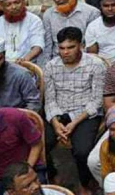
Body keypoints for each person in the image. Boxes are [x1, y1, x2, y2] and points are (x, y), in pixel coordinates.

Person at [43, 26, 106, 193]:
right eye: (61, 48)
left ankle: (86, 183)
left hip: (85, 113)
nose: (65, 52)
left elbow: (97, 101)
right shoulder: (51, 66)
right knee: (40, 141)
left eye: (70, 47)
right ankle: (52, 175)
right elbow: (49, 100)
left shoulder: (95, 65)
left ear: (81, 46)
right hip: (59, 111)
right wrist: (56, 123)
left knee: (82, 151)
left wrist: (74, 123)